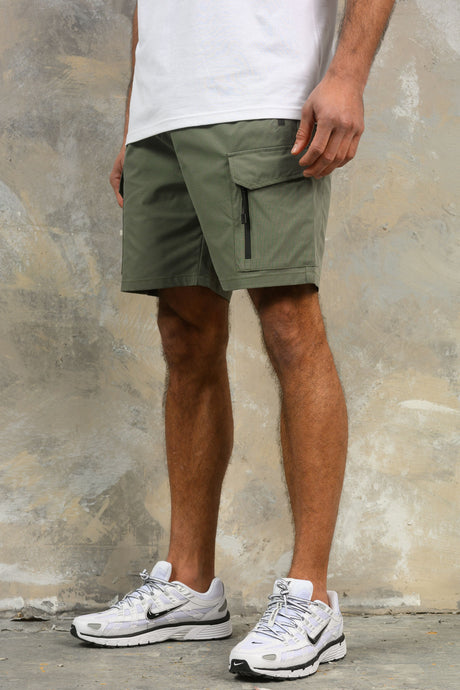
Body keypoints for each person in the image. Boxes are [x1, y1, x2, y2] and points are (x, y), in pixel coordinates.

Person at [71, 0, 395, 680]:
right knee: (183, 335)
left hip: (264, 96)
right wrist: (136, 122)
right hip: (164, 114)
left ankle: (312, 597)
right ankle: (190, 583)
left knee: (288, 323)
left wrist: (348, 74)